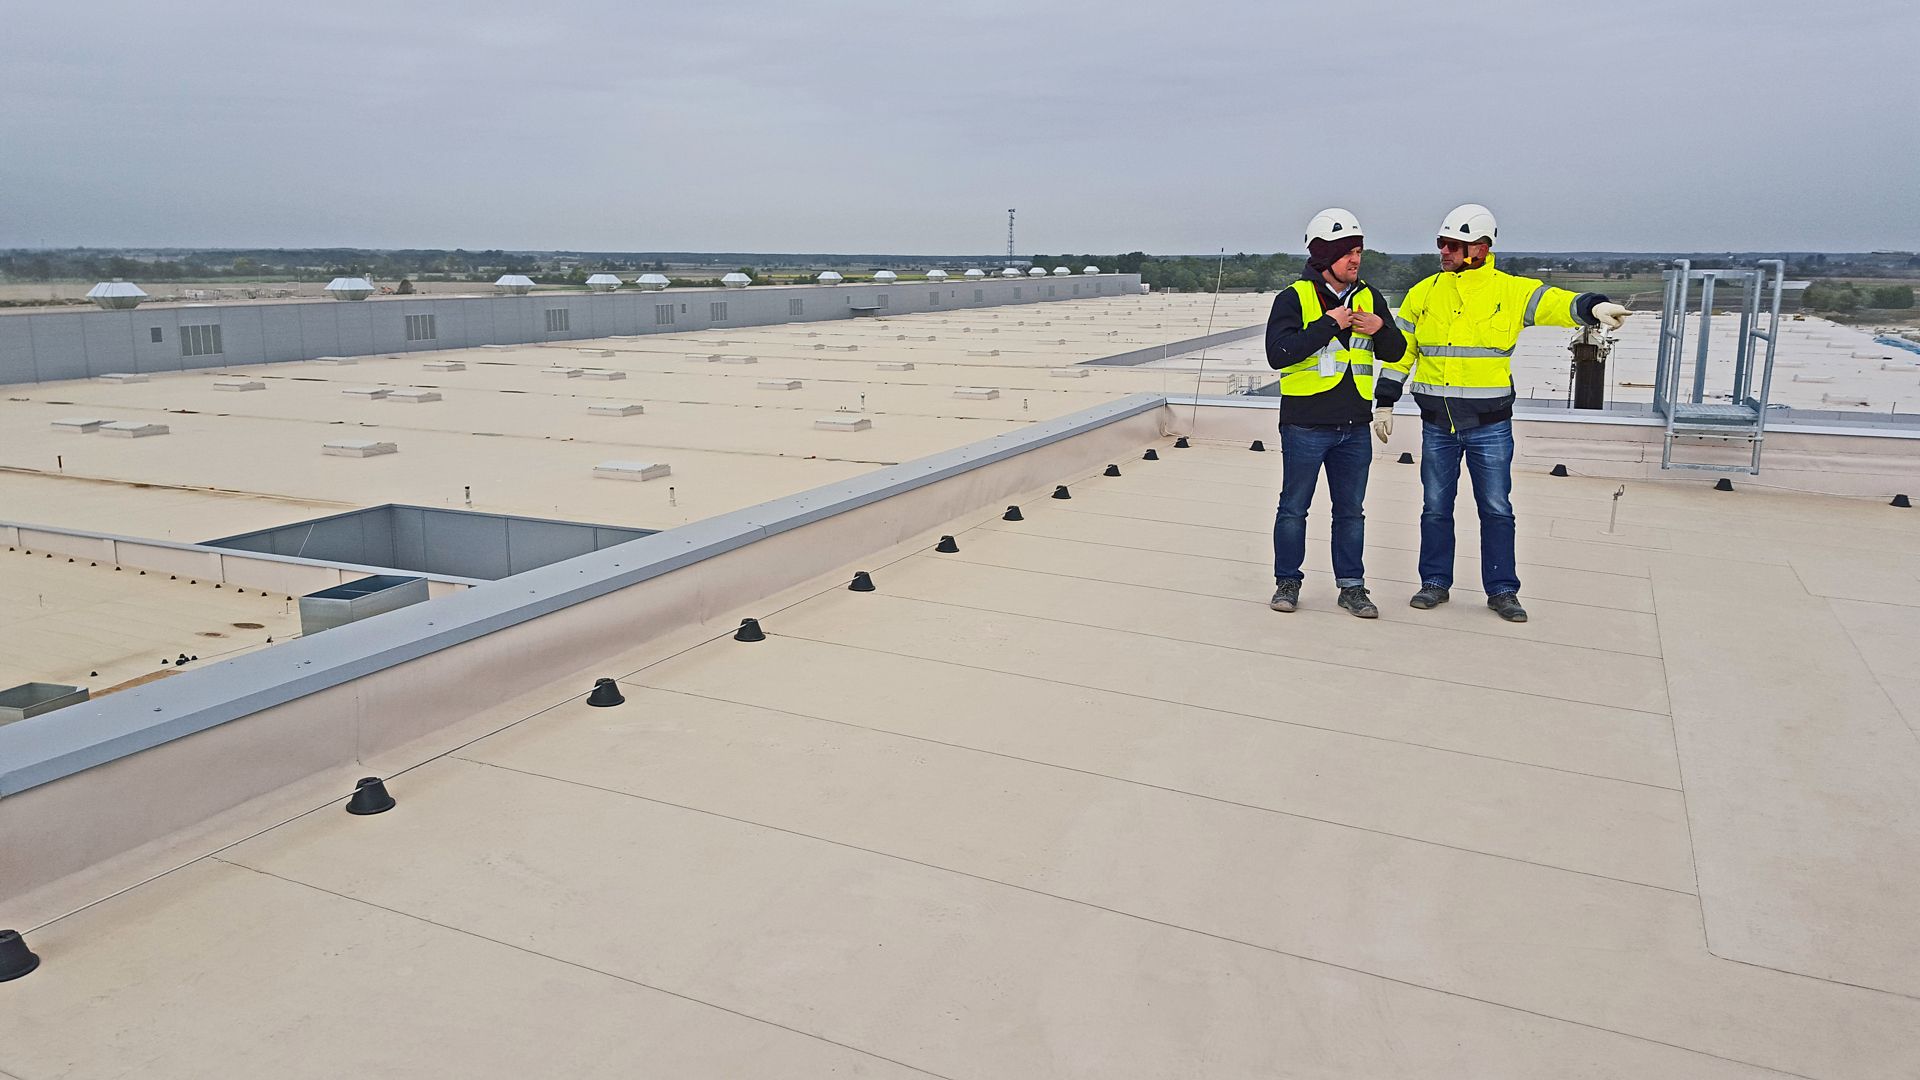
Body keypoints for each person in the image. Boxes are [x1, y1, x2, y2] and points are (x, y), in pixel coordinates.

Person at [1395, 203, 1630, 622]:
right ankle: (1434, 582)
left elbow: (1556, 303)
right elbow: (1404, 350)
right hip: (1438, 425)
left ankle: (1503, 590)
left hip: (1490, 427)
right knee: (1435, 507)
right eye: (1441, 243)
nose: (1444, 251)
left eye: (1453, 245)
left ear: (1481, 248)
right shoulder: (1424, 292)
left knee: (1496, 508)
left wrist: (1593, 306)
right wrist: (1384, 397)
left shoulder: (1511, 291)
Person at [1264, 209, 1409, 619]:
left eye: (1358, 252)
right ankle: (1287, 582)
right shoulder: (1294, 298)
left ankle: (1352, 588)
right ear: (1324, 257)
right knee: (1294, 508)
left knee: (1351, 511)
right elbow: (1279, 355)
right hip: (1305, 425)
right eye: (1348, 253)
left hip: (1354, 427)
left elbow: (1396, 353)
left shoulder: (1369, 296)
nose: (1355, 260)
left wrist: (1380, 327)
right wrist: (1328, 324)